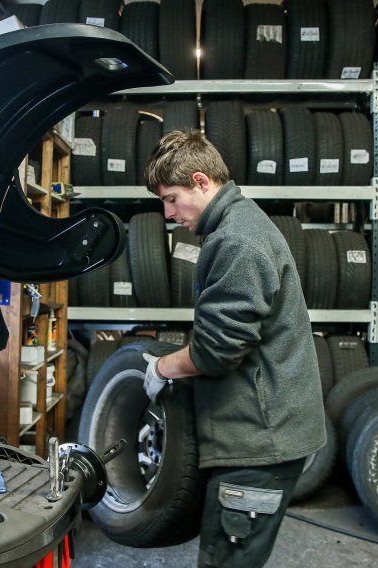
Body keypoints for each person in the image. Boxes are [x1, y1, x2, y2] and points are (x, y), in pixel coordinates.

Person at [141, 129, 327, 567]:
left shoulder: (237, 240)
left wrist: (164, 367)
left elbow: (215, 352)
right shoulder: (237, 225)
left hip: (260, 440)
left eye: (170, 198)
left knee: (228, 561)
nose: (168, 214)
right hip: (260, 430)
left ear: (202, 182)